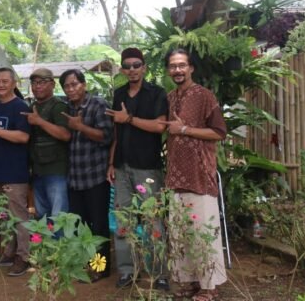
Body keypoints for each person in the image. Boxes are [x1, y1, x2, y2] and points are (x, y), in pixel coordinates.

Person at [163, 49, 227, 301]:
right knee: (181, 233)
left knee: (203, 232)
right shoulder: (168, 98)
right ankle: (190, 281)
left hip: (200, 175)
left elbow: (219, 132)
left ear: (191, 68)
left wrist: (186, 129)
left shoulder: (204, 96)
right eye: (172, 66)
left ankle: (209, 287)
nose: (177, 70)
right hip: (176, 177)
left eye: (182, 65)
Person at [105, 48, 169, 290]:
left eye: (136, 65)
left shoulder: (156, 93)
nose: (132, 69)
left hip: (148, 168)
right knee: (124, 220)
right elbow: (116, 133)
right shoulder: (119, 94)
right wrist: (111, 163)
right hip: (121, 167)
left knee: (153, 221)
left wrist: (129, 119)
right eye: (127, 66)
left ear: (144, 68)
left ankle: (159, 273)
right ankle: (127, 271)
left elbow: (160, 126)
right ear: (122, 69)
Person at [59, 68, 113, 281]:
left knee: (98, 225)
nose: (71, 89)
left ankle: (101, 268)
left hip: (96, 176)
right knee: (80, 226)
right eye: (66, 86)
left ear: (84, 84)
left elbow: (106, 136)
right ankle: (85, 264)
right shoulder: (67, 108)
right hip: (75, 178)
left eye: (74, 84)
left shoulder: (98, 105)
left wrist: (81, 127)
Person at [0, 67, 31, 277]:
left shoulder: (20, 107)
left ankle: (24, 257)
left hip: (15, 173)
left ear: (14, 83)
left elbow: (23, 137)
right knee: (3, 216)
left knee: (19, 217)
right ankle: (9, 252)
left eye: (4, 81)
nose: (0, 85)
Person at [22, 68, 72, 223]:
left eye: (42, 82)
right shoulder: (32, 107)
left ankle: (60, 248)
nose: (37, 86)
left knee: (59, 219)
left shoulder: (59, 106)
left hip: (56, 172)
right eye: (34, 83)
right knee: (42, 219)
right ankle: (46, 248)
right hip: (37, 171)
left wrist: (39, 121)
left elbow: (65, 135)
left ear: (52, 84)